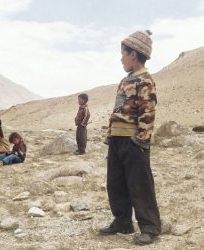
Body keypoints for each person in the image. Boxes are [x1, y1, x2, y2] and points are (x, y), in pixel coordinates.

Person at [99, 30, 161, 245]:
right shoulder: (125, 80)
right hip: (117, 140)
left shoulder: (145, 80)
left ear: (133, 54)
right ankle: (122, 221)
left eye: (123, 53)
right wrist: (110, 135)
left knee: (139, 184)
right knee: (116, 183)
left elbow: (148, 111)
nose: (121, 58)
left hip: (134, 141)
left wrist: (142, 139)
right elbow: (118, 109)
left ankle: (150, 227)